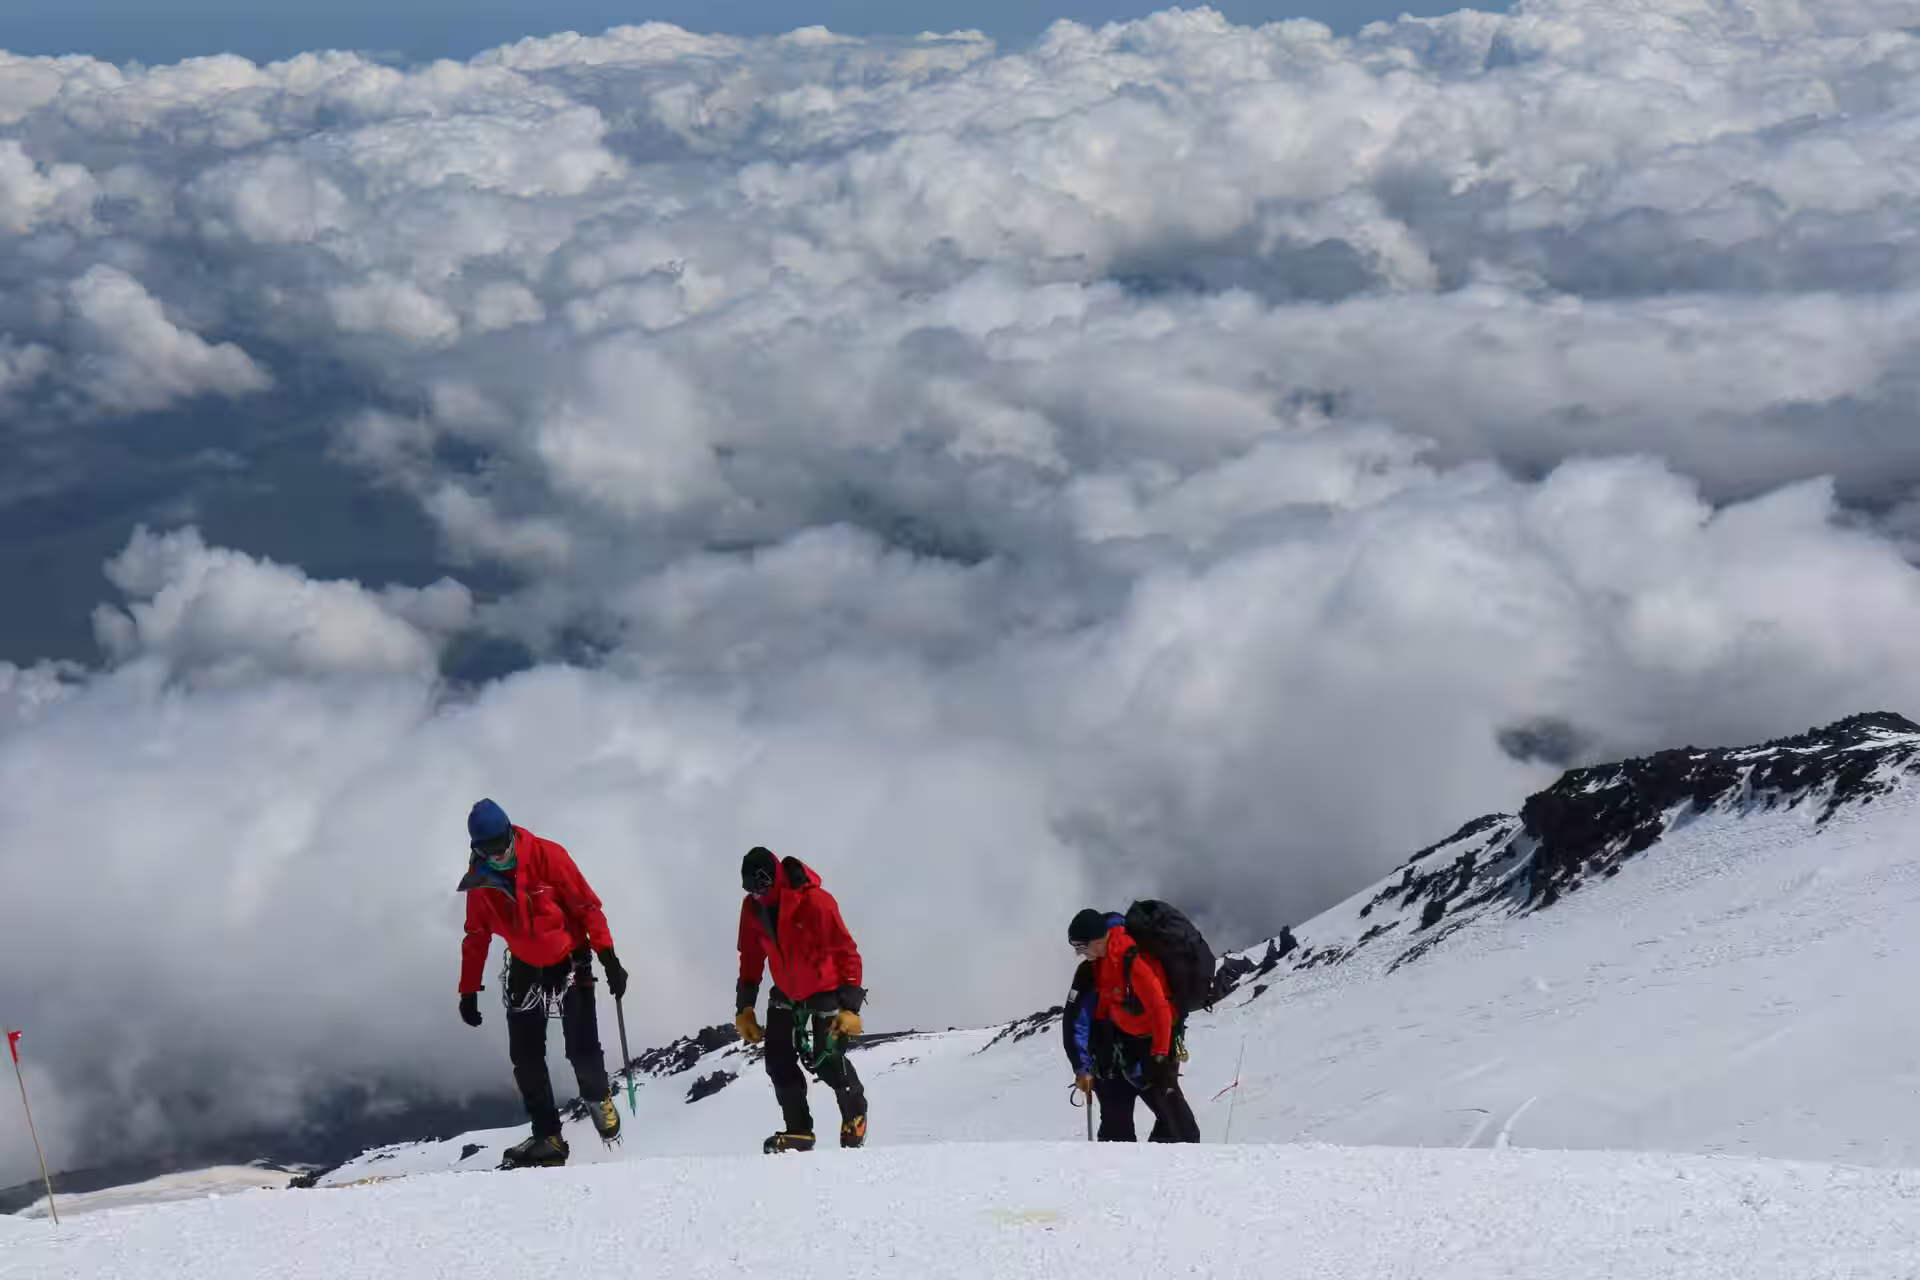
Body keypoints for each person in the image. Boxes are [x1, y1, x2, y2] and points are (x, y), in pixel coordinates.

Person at [456, 798, 631, 1169]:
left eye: (502, 844)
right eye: (488, 850)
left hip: (569, 957)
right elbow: (476, 933)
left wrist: (608, 956)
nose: (498, 854)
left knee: (582, 1050)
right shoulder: (481, 878)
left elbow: (586, 906)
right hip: (524, 963)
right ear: (476, 849)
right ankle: (548, 1136)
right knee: (526, 1057)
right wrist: (468, 989)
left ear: (511, 833)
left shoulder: (548, 856)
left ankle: (599, 1098)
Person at [732, 845, 868, 1153]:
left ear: (777, 877)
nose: (757, 894)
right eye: (750, 889)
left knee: (826, 1060)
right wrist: (745, 1008)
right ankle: (799, 1131)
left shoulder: (816, 903)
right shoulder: (752, 910)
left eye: (762, 886)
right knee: (777, 1060)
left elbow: (847, 952)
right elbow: (751, 959)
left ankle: (855, 1112)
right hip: (786, 992)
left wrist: (851, 1007)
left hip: (826, 990)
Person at [1067, 907, 1201, 1143]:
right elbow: (1077, 1020)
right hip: (1121, 1055)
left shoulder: (1131, 960)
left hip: (1149, 1054)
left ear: (1098, 941)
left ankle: (1166, 1170)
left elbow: (1160, 1008)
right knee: (1168, 1124)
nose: (1079, 954)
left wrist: (1160, 1053)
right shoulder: (1096, 965)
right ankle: (1140, 1170)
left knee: (1172, 1127)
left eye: (1080, 947)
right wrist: (1082, 1067)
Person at [1062, 952, 1142, 1141]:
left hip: (1110, 1063)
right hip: (1152, 1057)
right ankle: (1175, 1168)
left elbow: (1077, 1022)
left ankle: (1117, 1167)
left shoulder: (1090, 971)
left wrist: (1082, 1067)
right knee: (1173, 1122)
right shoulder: (1143, 959)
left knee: (1116, 1128)